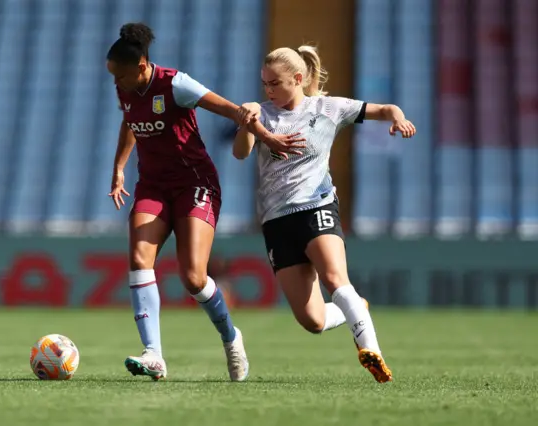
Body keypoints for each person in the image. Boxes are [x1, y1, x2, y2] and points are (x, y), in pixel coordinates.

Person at [106, 23, 303, 382]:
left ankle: (231, 337)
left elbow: (233, 112)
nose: (115, 82)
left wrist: (268, 138)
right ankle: (154, 354)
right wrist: (119, 169)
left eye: (119, 75)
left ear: (141, 66)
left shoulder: (176, 84)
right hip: (152, 186)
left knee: (194, 277)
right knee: (138, 259)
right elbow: (130, 123)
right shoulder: (127, 90)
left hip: (194, 183)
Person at [233, 45, 416, 383]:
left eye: (274, 83)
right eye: (264, 83)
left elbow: (386, 108)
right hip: (276, 221)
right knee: (312, 321)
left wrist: (398, 118)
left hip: (317, 206)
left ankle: (371, 350)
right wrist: (247, 123)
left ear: (298, 79)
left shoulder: (330, 108)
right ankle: (355, 306)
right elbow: (240, 153)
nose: (268, 90)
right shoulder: (262, 113)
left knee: (335, 279)